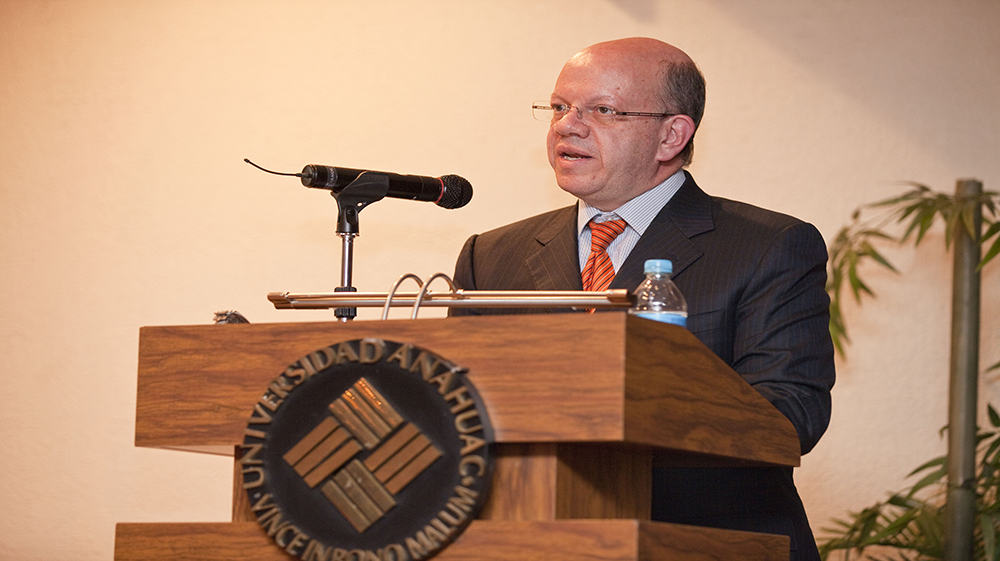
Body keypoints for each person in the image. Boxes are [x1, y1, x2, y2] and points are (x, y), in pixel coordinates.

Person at [448, 37, 835, 561]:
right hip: (531, 539)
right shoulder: (491, 255)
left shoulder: (768, 246)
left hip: (707, 541)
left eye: (604, 110)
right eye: (560, 107)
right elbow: (457, 409)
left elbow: (791, 415)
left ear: (672, 134)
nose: (567, 125)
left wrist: (621, 414)